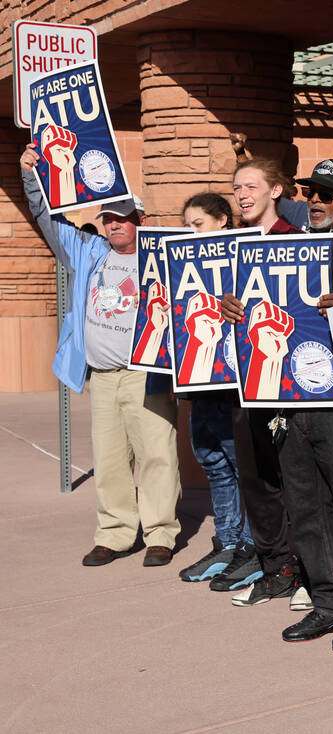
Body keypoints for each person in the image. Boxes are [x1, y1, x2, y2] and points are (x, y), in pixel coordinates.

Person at [223, 158, 333, 650]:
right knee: (304, 508)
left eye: (328, 194)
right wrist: (233, 307)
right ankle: (327, 604)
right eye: (311, 193)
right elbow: (253, 309)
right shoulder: (281, 246)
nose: (316, 201)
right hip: (287, 399)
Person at [19, 142, 182, 568]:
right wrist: (31, 176)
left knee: (156, 455)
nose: (113, 225)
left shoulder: (165, 257)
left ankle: (161, 533)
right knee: (109, 460)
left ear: (140, 220)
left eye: (122, 218)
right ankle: (114, 534)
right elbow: (47, 220)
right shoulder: (89, 253)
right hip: (103, 375)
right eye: (107, 219)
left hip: (147, 373)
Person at [222, 159, 312, 610]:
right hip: (242, 381)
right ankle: (275, 569)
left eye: (250, 186)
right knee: (255, 479)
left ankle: (309, 574)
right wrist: (224, 306)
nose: (241, 193)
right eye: (236, 186)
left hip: (287, 383)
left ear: (275, 190)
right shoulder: (228, 247)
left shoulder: (299, 243)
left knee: (293, 480)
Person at [174, 193, 261, 592]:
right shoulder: (183, 264)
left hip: (229, 381)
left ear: (222, 221)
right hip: (197, 378)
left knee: (238, 463)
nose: (189, 233)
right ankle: (226, 542)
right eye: (186, 225)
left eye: (197, 224)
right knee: (211, 460)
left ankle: (248, 545)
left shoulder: (243, 257)